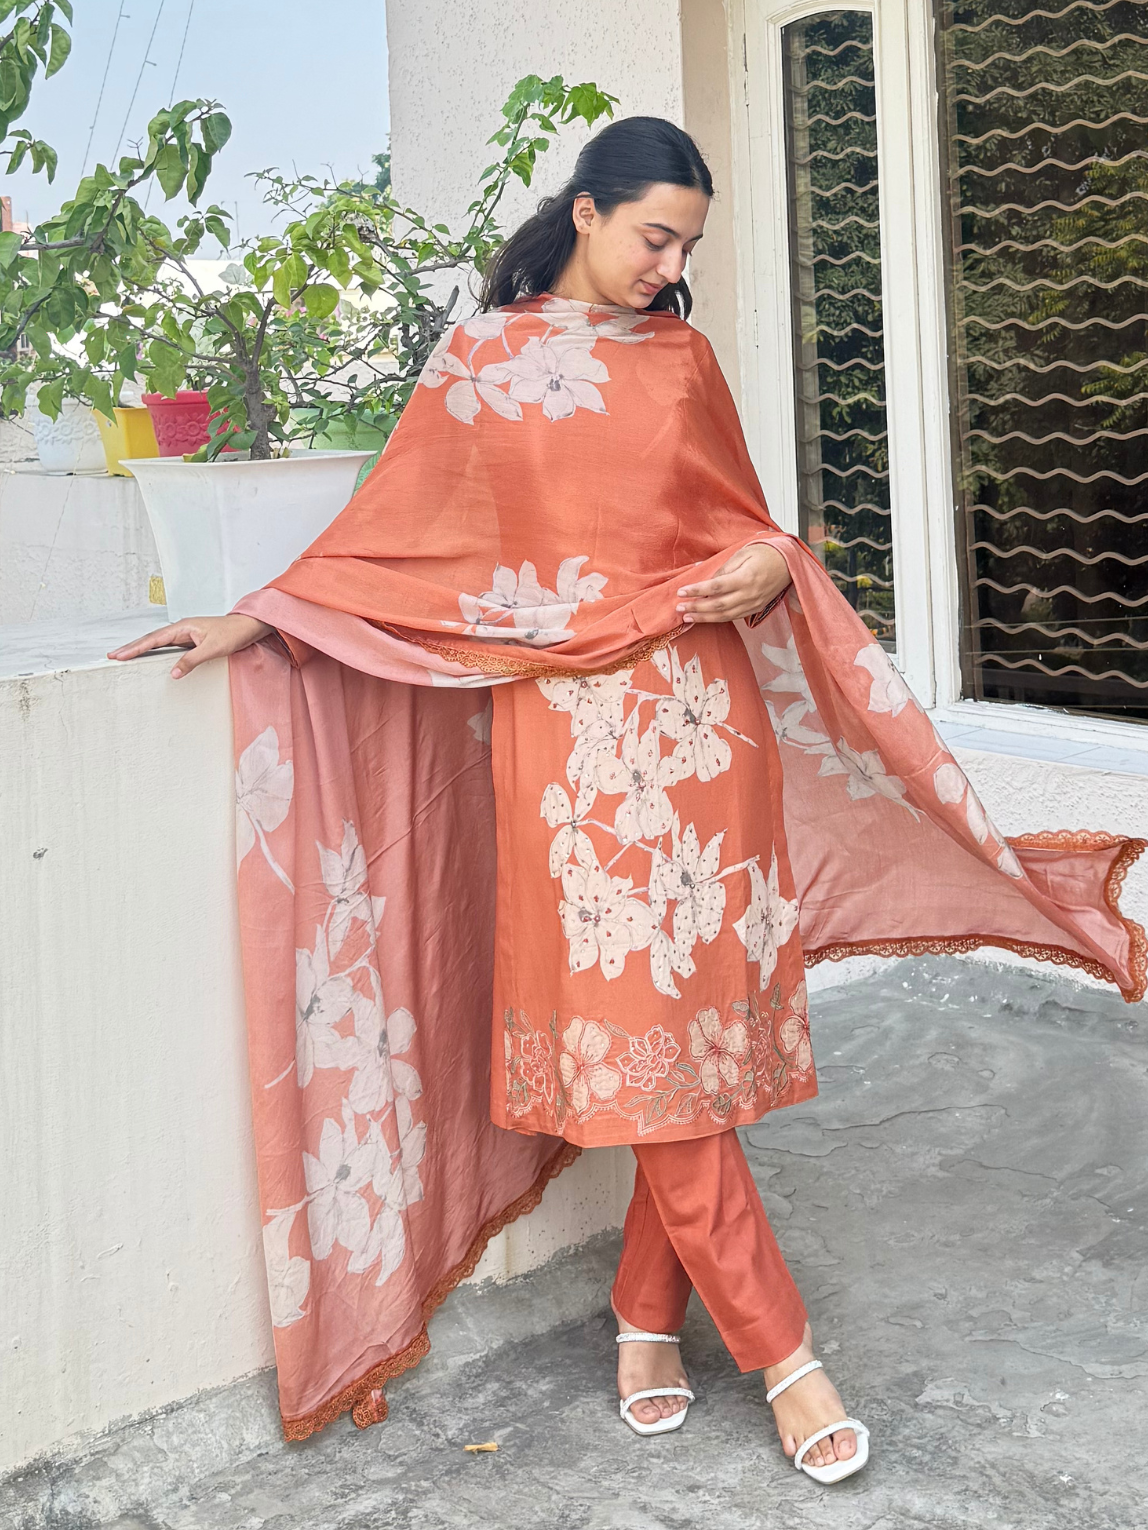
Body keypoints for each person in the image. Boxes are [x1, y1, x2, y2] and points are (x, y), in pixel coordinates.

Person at [111, 117, 1143, 1482]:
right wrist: (257, 619)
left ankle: (648, 1317)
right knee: (646, 1045)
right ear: (587, 211)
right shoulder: (482, 364)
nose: (670, 266)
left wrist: (775, 564)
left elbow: (744, 528)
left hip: (709, 735)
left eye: (689, 245)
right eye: (655, 235)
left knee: (695, 1049)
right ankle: (784, 1352)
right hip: (572, 757)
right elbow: (396, 546)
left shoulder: (682, 362)